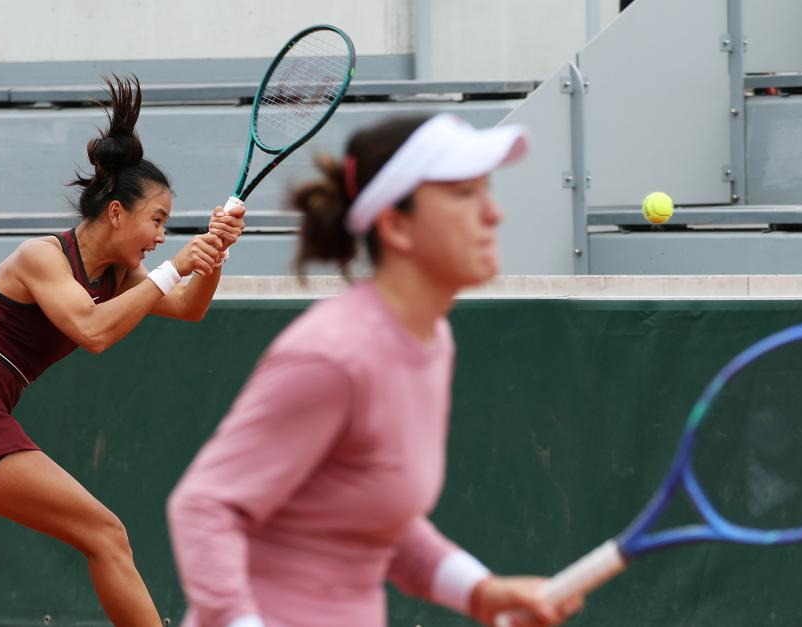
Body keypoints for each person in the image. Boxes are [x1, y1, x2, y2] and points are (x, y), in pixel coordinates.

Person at [166, 113, 583, 627]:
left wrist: (481, 591)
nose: (493, 213)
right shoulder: (333, 356)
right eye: (463, 194)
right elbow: (204, 505)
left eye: (486, 191)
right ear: (397, 226)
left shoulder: (431, 341)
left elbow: (379, 520)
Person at [0, 76, 245, 626]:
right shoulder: (42, 257)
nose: (161, 236)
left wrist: (214, 254)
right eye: (156, 220)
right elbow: (93, 331)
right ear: (116, 213)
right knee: (105, 534)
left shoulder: (116, 274)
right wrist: (175, 266)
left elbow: (188, 308)